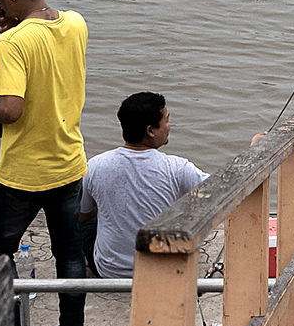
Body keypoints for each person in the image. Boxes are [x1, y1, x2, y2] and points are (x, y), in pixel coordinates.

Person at [0, 0, 91, 326]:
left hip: (22, 172)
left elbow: (11, 109)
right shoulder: (75, 23)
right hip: (68, 162)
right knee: (69, 254)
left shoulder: (14, 42)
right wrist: (17, 26)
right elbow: (50, 52)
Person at [82, 93, 210, 280]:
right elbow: (220, 190)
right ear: (151, 130)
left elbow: (81, 215)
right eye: (167, 120)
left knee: (89, 222)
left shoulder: (96, 165)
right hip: (160, 272)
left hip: (110, 273)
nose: (170, 125)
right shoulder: (177, 168)